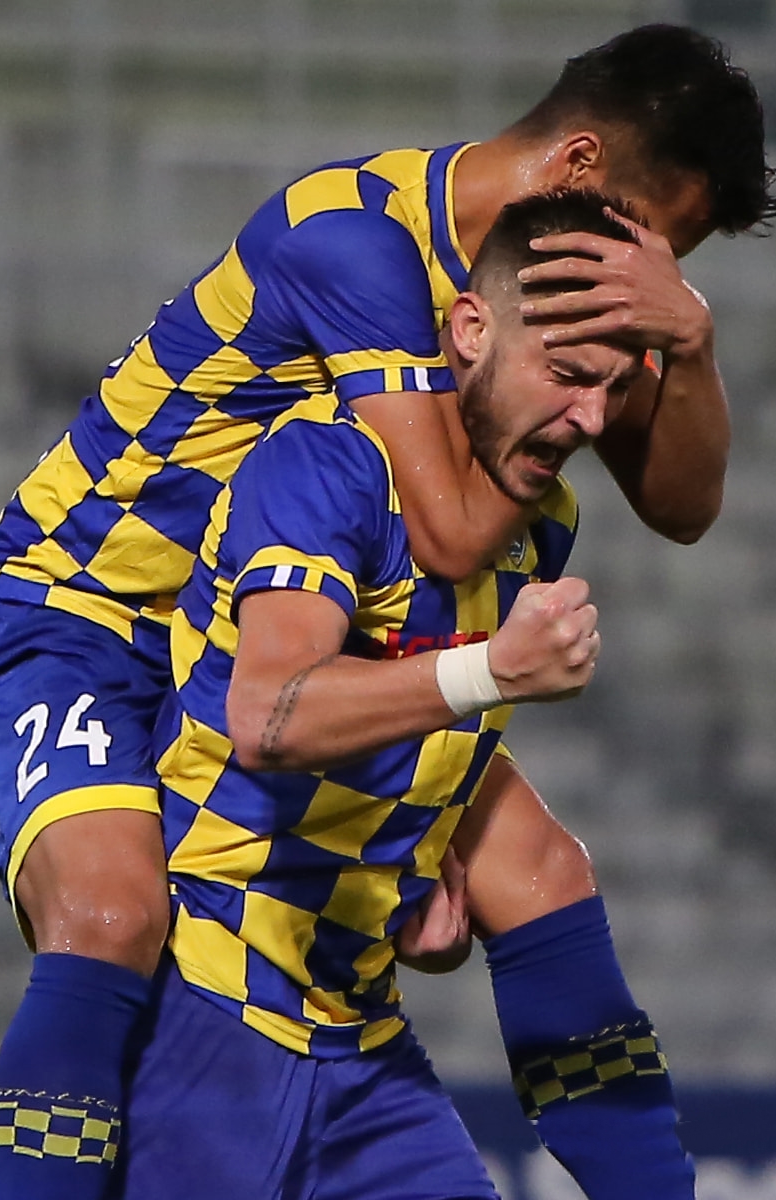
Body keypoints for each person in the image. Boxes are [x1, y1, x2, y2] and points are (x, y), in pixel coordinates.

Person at [0, 24, 776, 1200]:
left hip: (272, 625)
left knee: (541, 872)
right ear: (581, 170)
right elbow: (449, 532)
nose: (644, 277)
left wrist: (686, 341)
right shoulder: (355, 241)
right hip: (83, 612)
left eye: (668, 271)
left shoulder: (558, 318)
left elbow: (684, 508)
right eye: (652, 240)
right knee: (110, 909)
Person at [102, 189, 655, 1199]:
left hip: (359, 1045)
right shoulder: (331, 462)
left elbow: (413, 744)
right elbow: (269, 714)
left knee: (550, 867)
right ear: (470, 330)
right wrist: (492, 671)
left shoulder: (540, 523)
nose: (591, 418)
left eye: (615, 390)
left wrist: (404, 880)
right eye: (570, 375)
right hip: (207, 1020)